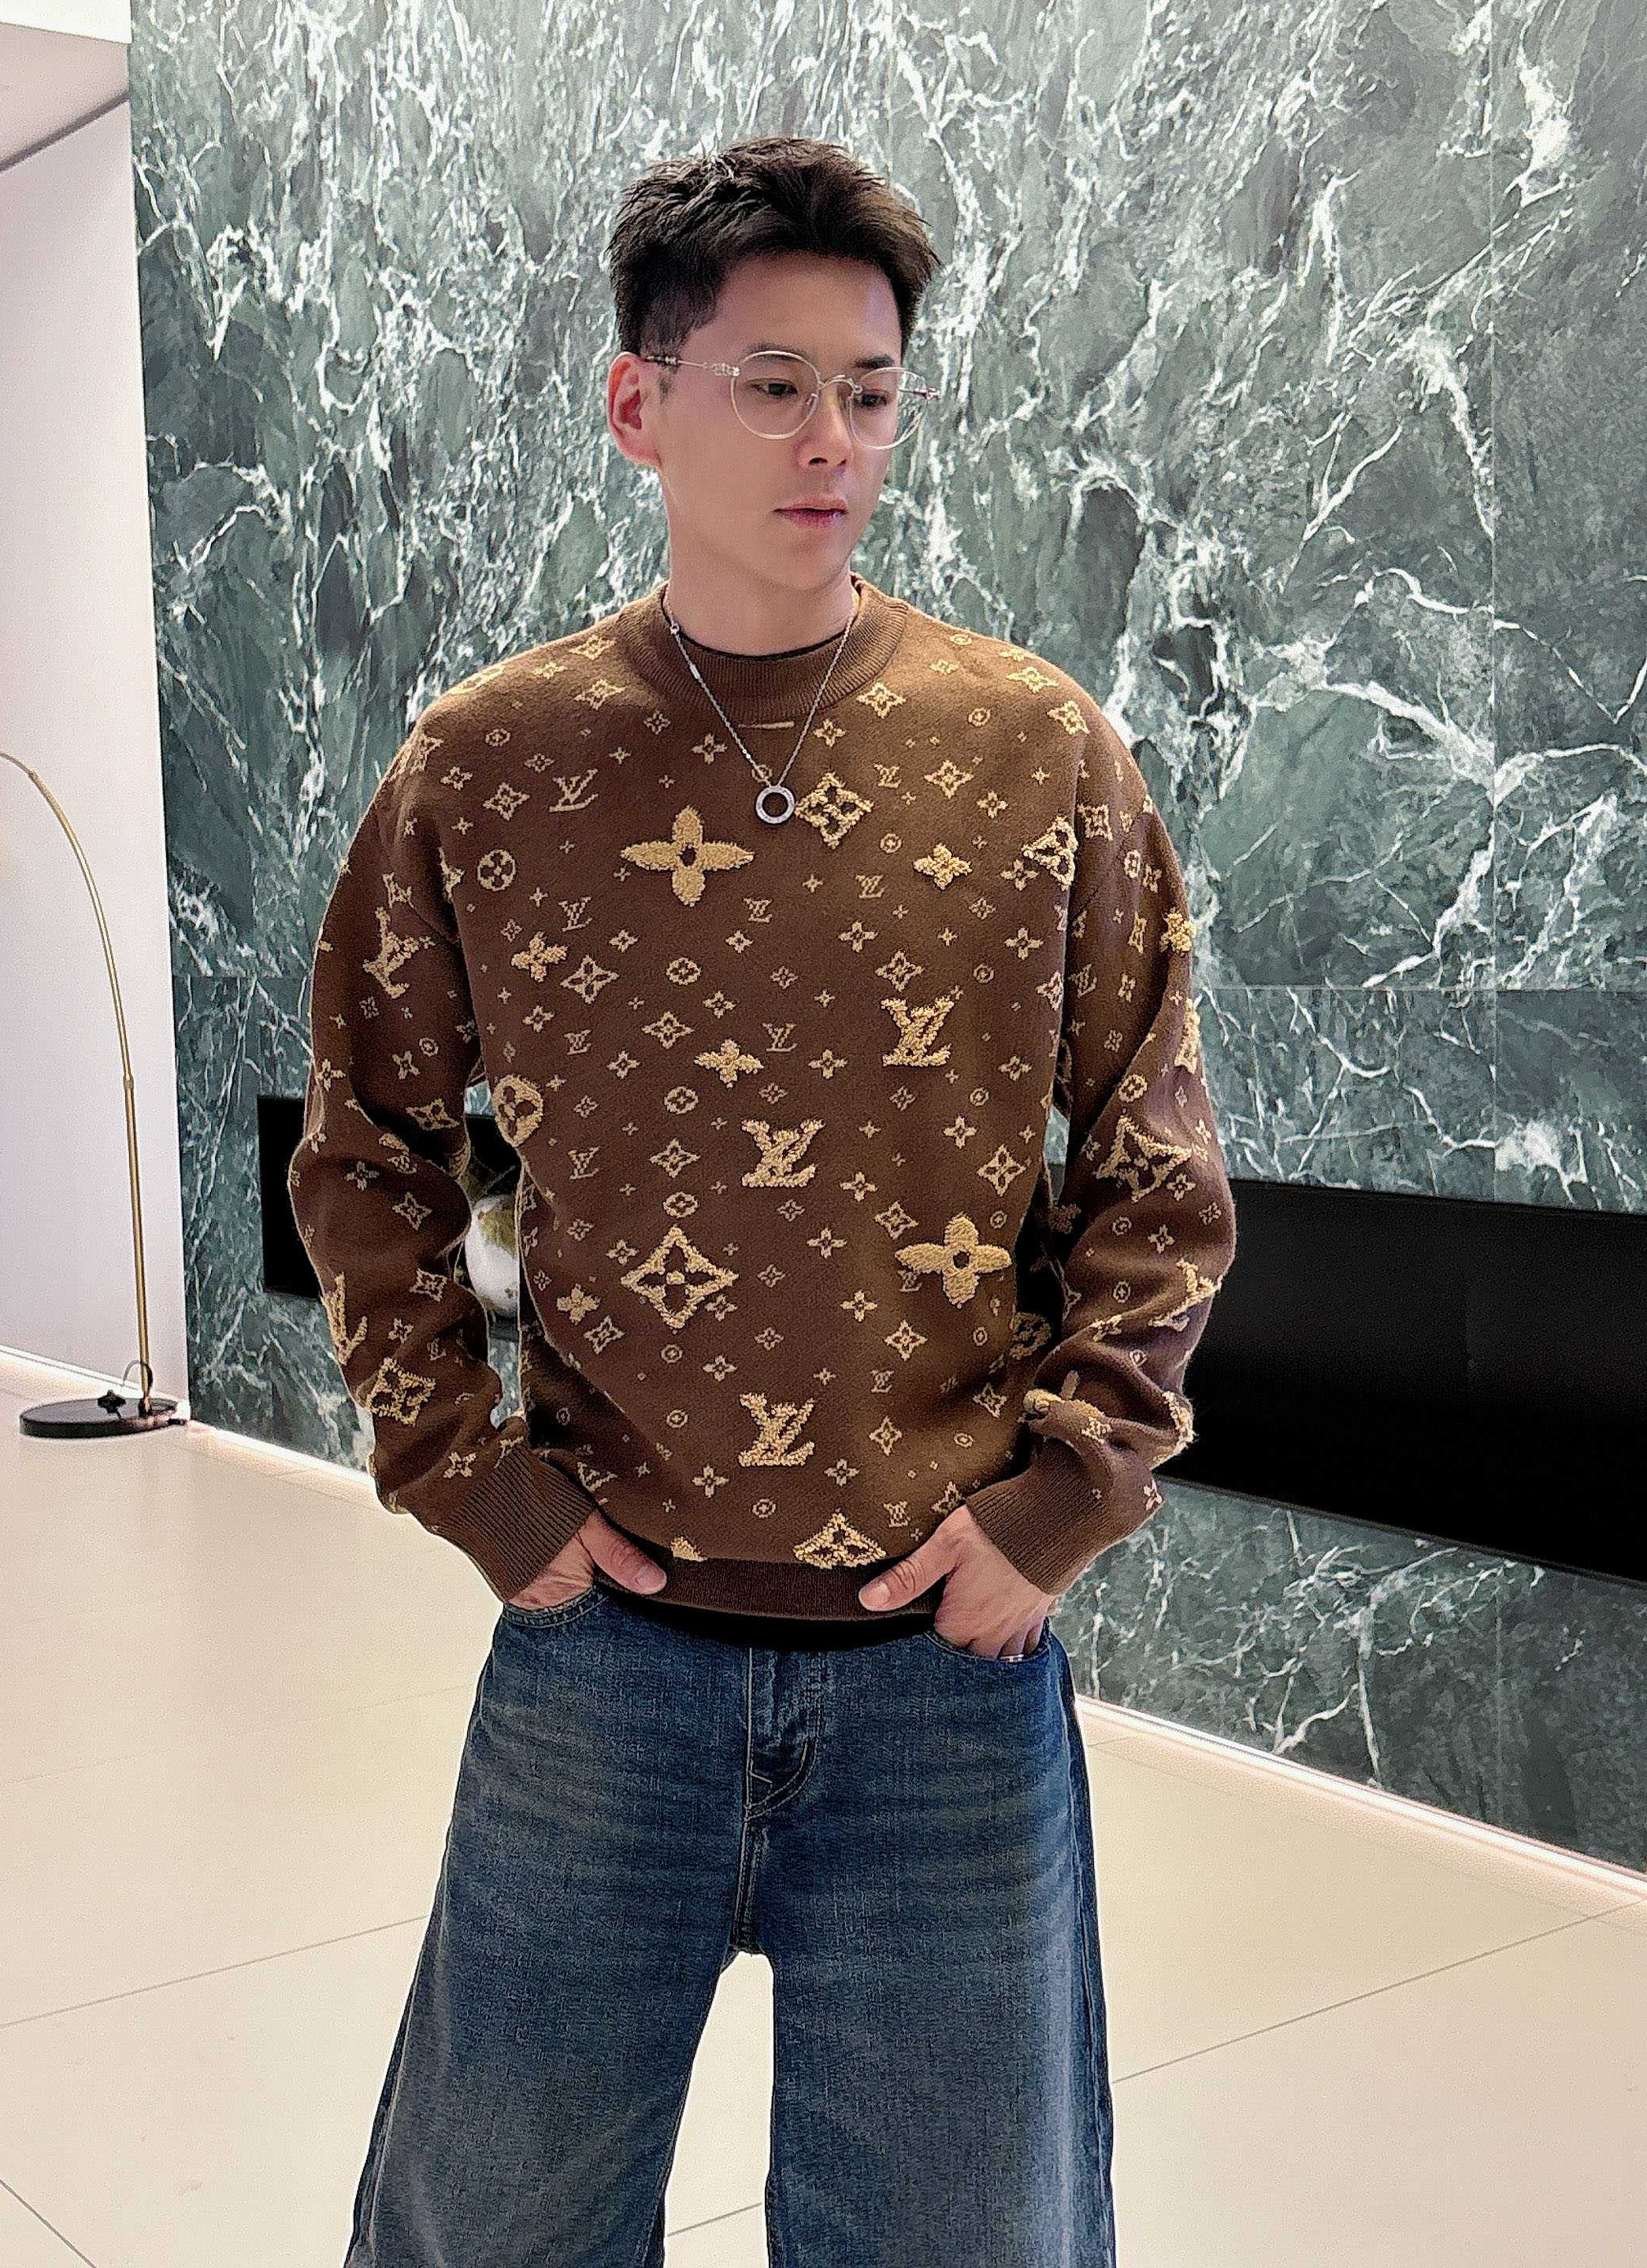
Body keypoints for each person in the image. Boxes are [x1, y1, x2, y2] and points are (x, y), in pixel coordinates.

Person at [289, 133, 1237, 2268]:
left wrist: (1067, 1495)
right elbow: (365, 1147)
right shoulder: (493, 765)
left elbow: (1156, 1166)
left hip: (943, 1669)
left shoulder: (1036, 753)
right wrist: (471, 1479)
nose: (834, 441)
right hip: (602, 1664)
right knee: (491, 2232)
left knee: (961, 2238)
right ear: (641, 403)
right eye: (777, 384)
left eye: (872, 391)